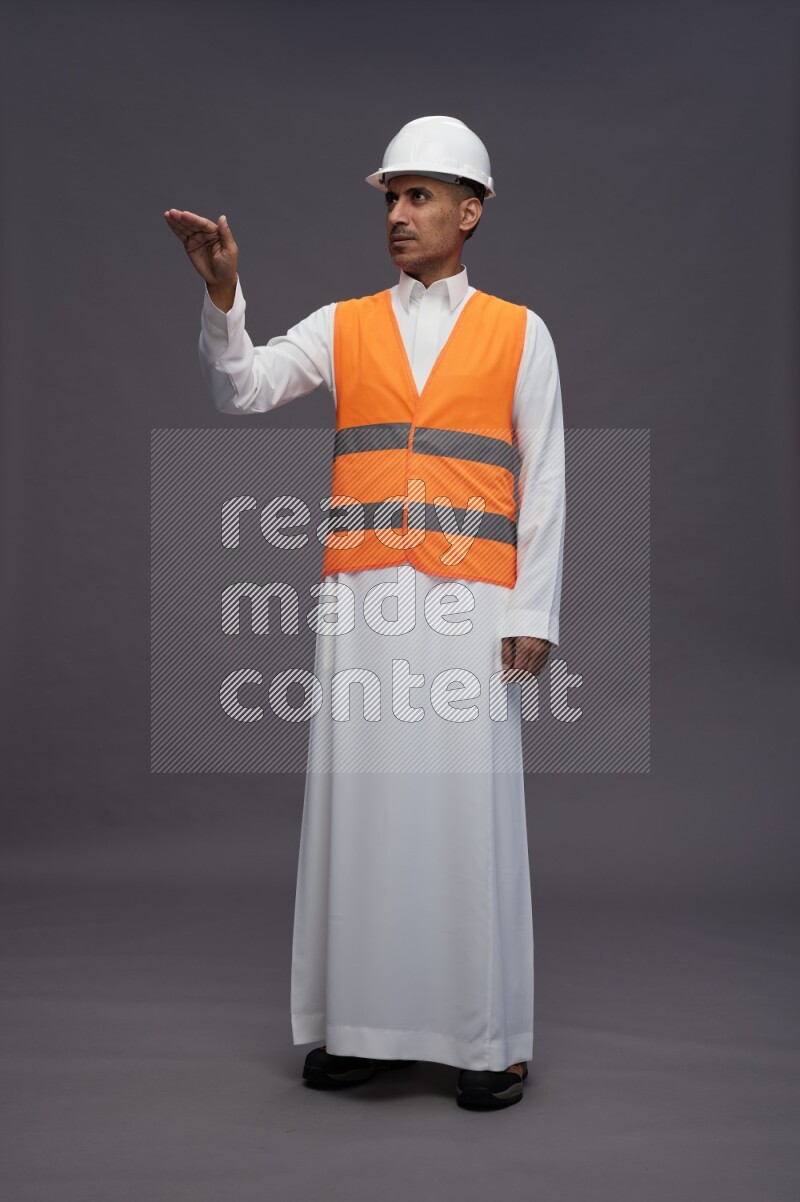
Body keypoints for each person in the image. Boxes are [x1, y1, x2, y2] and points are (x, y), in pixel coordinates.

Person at [164, 115, 566, 1110]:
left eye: (419, 195)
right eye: (390, 196)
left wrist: (535, 608)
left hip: (474, 604)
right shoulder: (344, 324)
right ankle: (358, 1028)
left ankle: (486, 1038)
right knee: (364, 808)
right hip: (363, 600)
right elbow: (244, 388)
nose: (397, 213)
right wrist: (223, 297)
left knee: (465, 813)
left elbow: (547, 477)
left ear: (469, 211)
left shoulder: (521, 332)